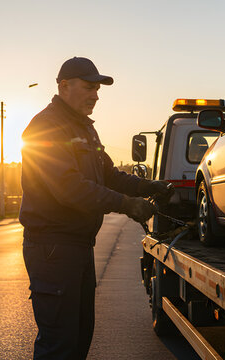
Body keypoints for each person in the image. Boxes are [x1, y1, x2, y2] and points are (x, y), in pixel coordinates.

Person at [19, 57, 172, 359]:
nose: (96, 95)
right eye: (89, 87)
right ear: (64, 87)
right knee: (58, 345)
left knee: (79, 338)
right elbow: (68, 187)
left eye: (98, 89)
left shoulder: (86, 129)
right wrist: (127, 205)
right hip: (53, 249)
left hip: (77, 247)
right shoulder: (45, 127)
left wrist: (148, 186)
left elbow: (110, 176)